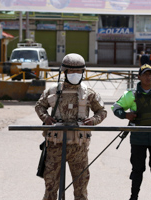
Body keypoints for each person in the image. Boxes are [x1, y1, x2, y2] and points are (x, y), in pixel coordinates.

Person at [35, 53, 107, 200]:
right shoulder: (52, 91)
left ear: (83, 72)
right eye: (72, 71)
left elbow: (102, 111)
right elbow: (39, 106)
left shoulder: (88, 93)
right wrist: (45, 117)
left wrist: (93, 120)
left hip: (78, 148)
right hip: (55, 146)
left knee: (81, 188)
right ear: (64, 71)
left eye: (78, 71)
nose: (75, 74)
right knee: (50, 187)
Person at [112, 64, 151, 200]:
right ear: (139, 77)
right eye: (144, 74)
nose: (148, 77)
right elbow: (116, 107)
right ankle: (134, 197)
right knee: (137, 170)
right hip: (138, 138)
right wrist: (126, 115)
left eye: (150, 74)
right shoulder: (131, 94)